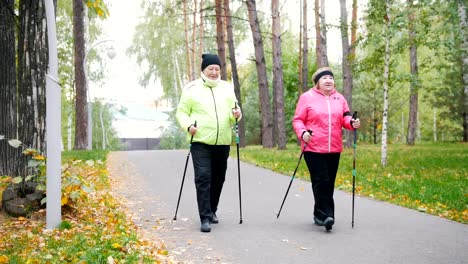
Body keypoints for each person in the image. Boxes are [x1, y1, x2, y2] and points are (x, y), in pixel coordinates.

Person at [176, 53, 242, 233]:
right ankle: (204, 217)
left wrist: (236, 114)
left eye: (217, 69)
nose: (214, 72)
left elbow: (234, 111)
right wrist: (188, 126)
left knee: (218, 178)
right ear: (203, 70)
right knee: (203, 177)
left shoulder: (227, 88)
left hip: (222, 141)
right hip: (200, 140)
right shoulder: (192, 89)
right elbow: (181, 113)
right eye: (210, 69)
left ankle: (212, 210)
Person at [292, 67, 360, 232]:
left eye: (331, 77)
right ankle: (327, 215)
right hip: (313, 147)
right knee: (321, 180)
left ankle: (318, 214)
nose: (328, 80)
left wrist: (352, 123)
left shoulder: (339, 98)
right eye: (324, 78)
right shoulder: (307, 98)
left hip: (334, 148)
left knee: (327, 183)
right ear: (317, 82)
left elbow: (345, 117)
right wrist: (303, 133)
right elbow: (298, 120)